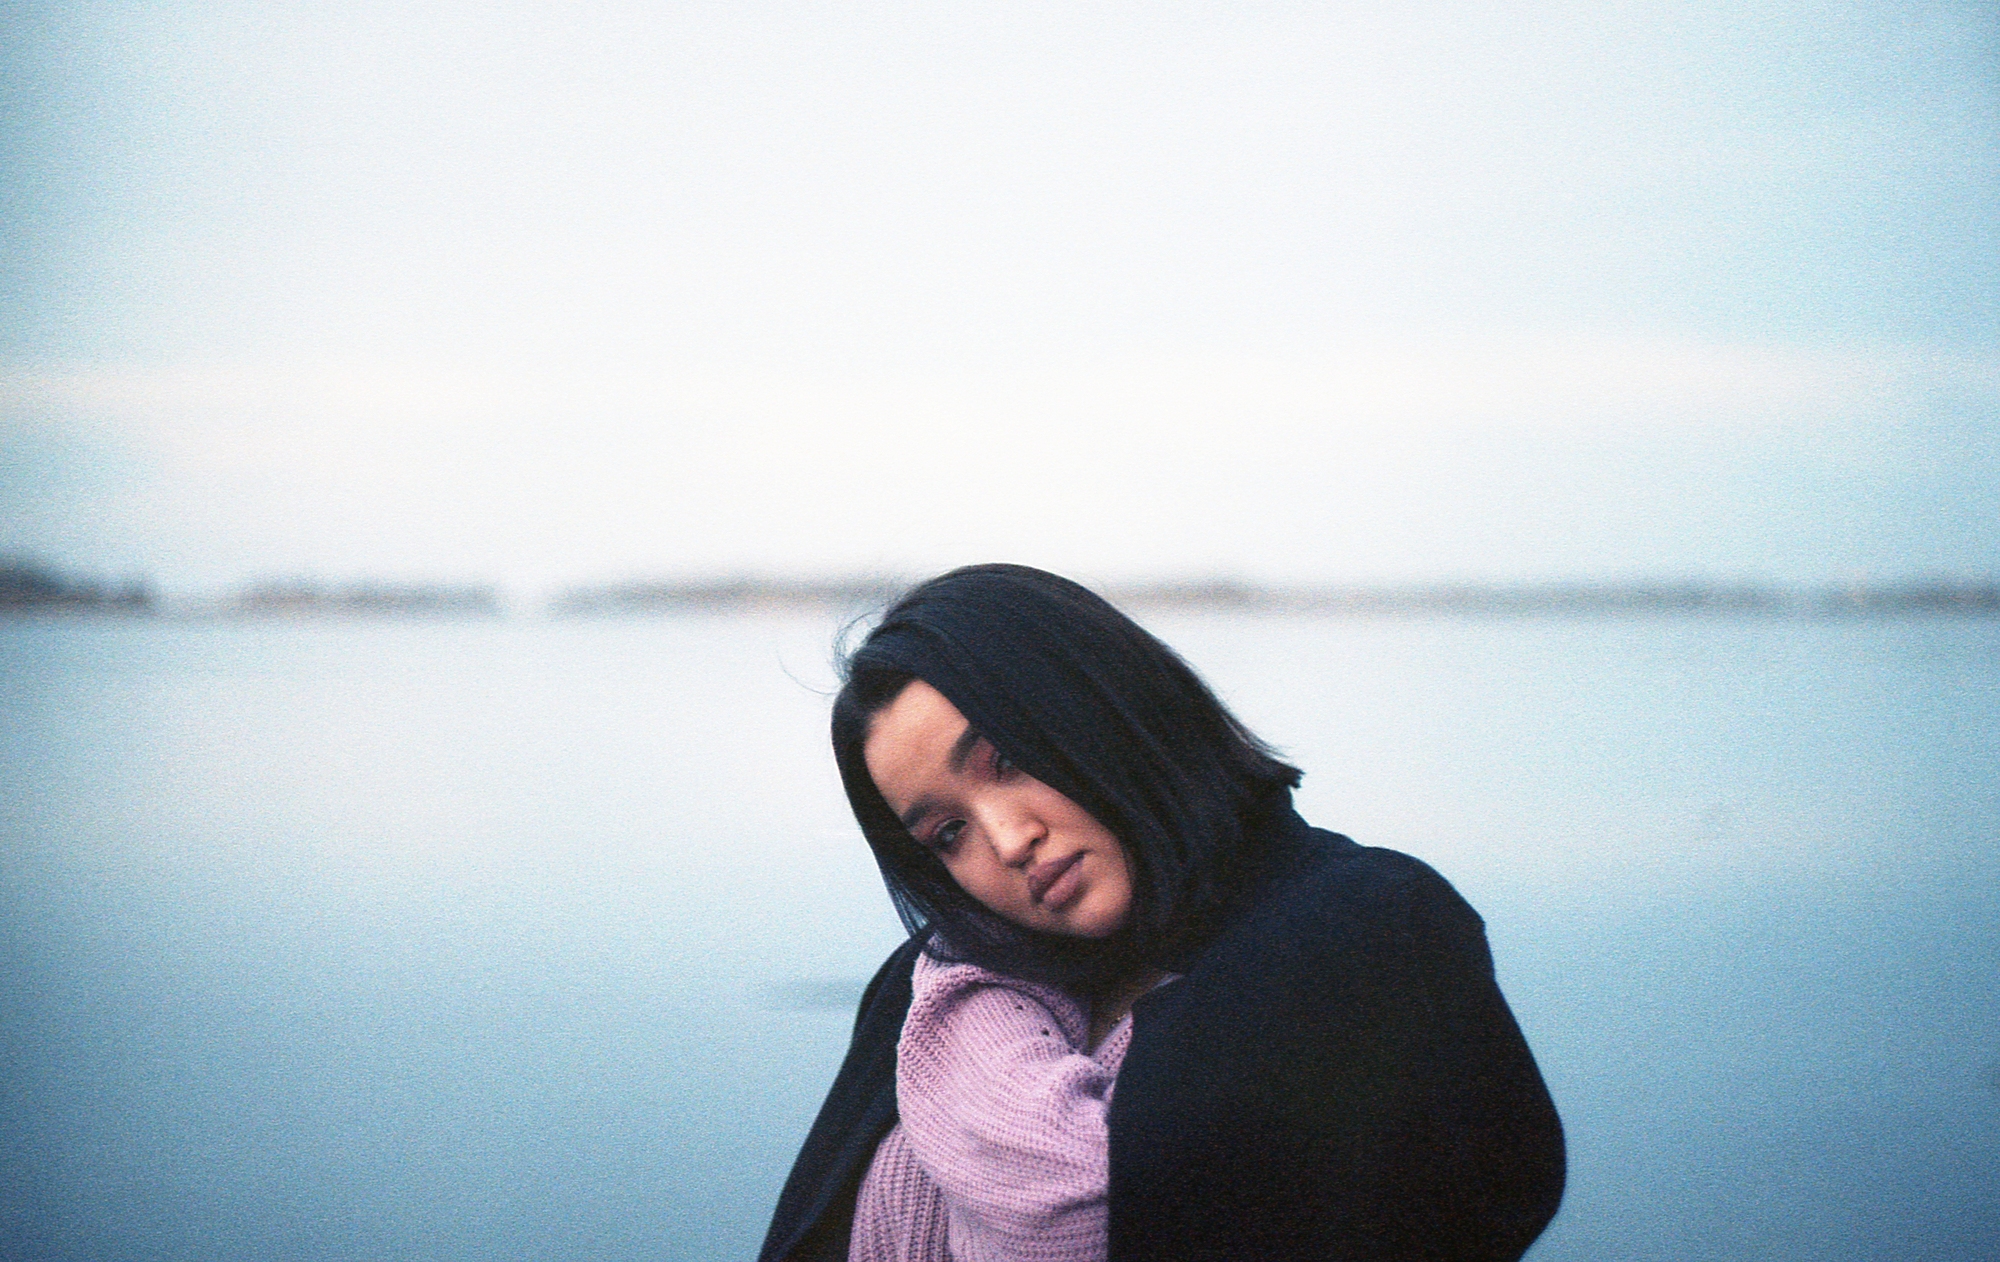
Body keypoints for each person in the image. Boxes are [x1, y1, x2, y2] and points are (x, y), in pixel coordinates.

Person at [759, 564, 1565, 1262]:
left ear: (1103, 702)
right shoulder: (936, 992)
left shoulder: (1368, 928)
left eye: (1005, 758)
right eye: (948, 832)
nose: (1006, 841)